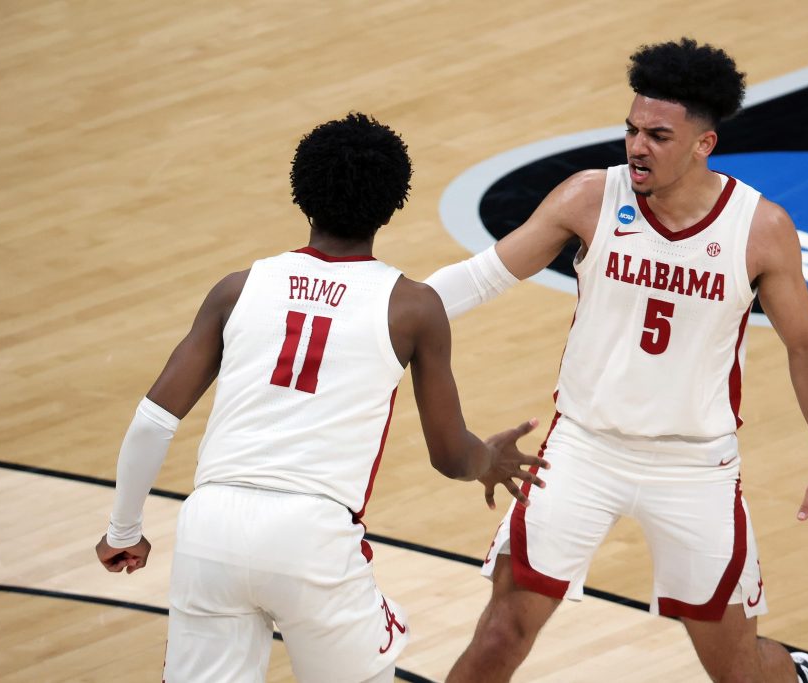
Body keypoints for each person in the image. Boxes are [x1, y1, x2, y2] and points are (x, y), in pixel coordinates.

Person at [425, 39, 808, 683]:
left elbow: (806, 344)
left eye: (657, 135)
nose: (636, 147)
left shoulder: (759, 229)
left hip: (694, 464)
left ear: (703, 145)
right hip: (581, 449)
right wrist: (380, 312)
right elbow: (482, 277)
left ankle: (800, 676)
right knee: (501, 633)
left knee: (737, 671)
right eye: (631, 130)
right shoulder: (589, 198)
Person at [93, 112, 548, 683]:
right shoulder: (411, 308)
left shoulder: (238, 288)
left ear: (300, 192)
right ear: (393, 204)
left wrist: (124, 530)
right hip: (311, 537)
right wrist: (490, 458)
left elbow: (153, 422)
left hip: (210, 527)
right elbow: (451, 457)